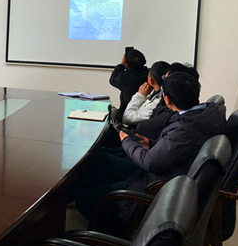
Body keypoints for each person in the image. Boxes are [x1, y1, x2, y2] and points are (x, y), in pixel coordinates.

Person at [73, 71, 226, 222]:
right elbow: (176, 147)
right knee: (96, 160)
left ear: (167, 99)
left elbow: (149, 162)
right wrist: (150, 143)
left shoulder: (186, 128)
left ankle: (114, 228)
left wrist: (126, 141)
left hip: (154, 184)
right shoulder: (204, 114)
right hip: (161, 172)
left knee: (84, 197)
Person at [122, 61, 170, 125]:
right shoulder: (160, 92)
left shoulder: (158, 103)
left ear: (151, 80)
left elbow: (127, 118)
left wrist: (140, 95)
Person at [109, 49, 148, 121]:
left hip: (125, 115)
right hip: (145, 115)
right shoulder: (151, 76)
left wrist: (121, 65)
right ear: (145, 61)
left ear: (127, 65)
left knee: (108, 109)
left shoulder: (123, 77)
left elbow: (112, 79)